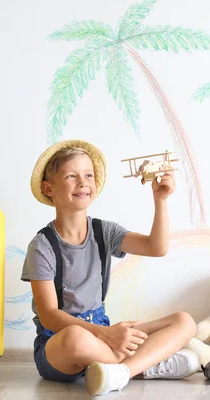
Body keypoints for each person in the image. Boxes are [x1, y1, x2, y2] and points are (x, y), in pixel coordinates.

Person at [21, 139, 199, 396]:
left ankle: (120, 372)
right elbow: (49, 315)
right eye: (71, 176)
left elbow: (156, 247)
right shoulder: (42, 246)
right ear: (49, 188)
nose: (83, 182)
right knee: (75, 337)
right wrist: (105, 335)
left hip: (104, 333)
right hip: (59, 345)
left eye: (88, 175)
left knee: (184, 321)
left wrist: (160, 200)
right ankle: (143, 365)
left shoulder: (104, 232)